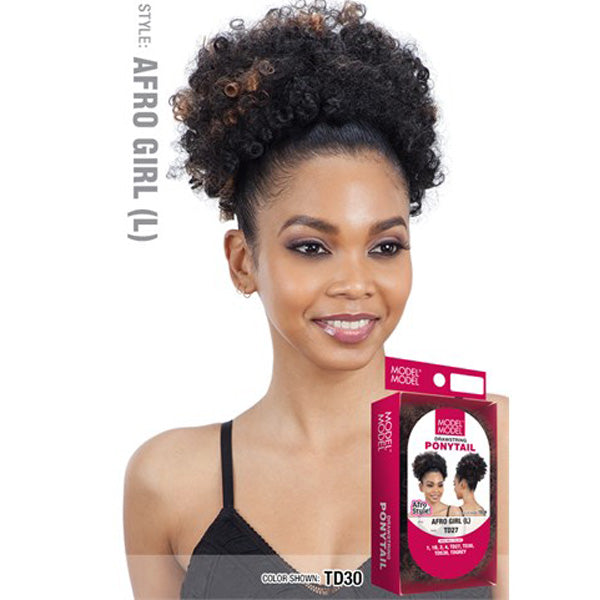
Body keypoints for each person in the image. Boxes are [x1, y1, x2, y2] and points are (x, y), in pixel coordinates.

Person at [123, 1, 490, 598]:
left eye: (385, 246)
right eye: (312, 247)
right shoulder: (168, 480)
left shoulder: (481, 441)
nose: (355, 283)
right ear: (243, 262)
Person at [411, 451, 461, 517]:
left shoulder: (453, 512)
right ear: (421, 487)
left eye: (440, 485)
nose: (436, 490)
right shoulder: (413, 516)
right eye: (430, 485)